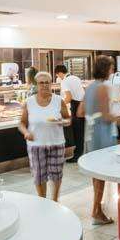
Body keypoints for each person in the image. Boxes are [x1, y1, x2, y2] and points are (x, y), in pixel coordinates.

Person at [78, 55, 120, 225]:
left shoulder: (89, 87)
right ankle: (96, 211)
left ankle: (97, 208)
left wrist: (92, 114)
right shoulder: (102, 87)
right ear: (105, 69)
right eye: (111, 67)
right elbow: (105, 116)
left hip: (91, 131)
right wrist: (119, 117)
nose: (112, 70)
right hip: (101, 132)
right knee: (100, 172)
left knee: (96, 172)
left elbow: (80, 112)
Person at [19, 72, 71, 201]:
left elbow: (68, 119)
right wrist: (26, 133)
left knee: (57, 174)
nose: (44, 85)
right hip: (36, 145)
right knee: (39, 175)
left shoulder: (59, 101)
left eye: (47, 82)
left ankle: (55, 200)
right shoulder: (29, 102)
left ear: (51, 84)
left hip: (56, 143)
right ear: (37, 85)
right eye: (41, 83)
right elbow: (22, 123)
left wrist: (62, 122)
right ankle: (42, 201)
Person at [55, 64, 86, 162]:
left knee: (77, 132)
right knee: (81, 132)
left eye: (57, 75)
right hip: (82, 104)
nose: (58, 77)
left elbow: (68, 98)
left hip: (76, 106)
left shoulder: (64, 81)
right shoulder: (75, 77)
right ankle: (81, 153)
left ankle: (77, 156)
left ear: (60, 73)